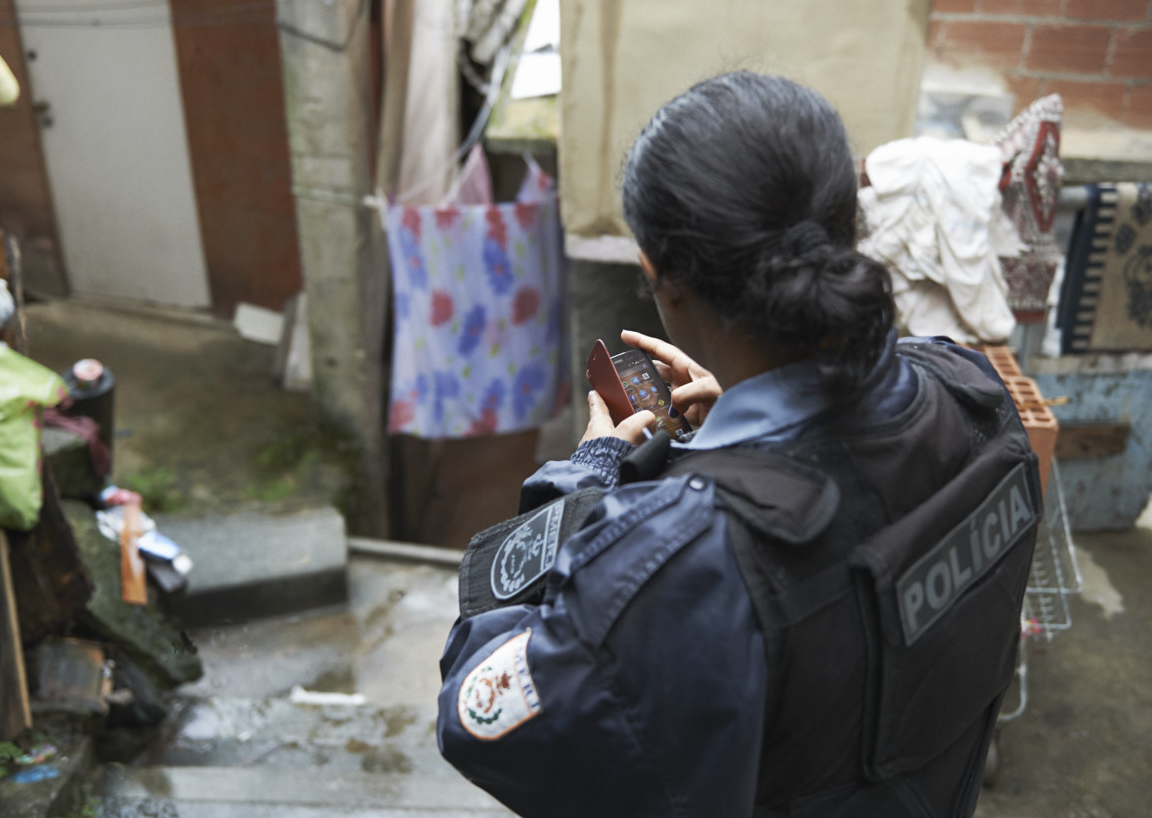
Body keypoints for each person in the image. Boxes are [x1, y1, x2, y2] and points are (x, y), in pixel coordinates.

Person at [436, 72, 1042, 817]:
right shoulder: (969, 390)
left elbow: (477, 716)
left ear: (662, 281)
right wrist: (753, 440)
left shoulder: (681, 567)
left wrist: (585, 479)